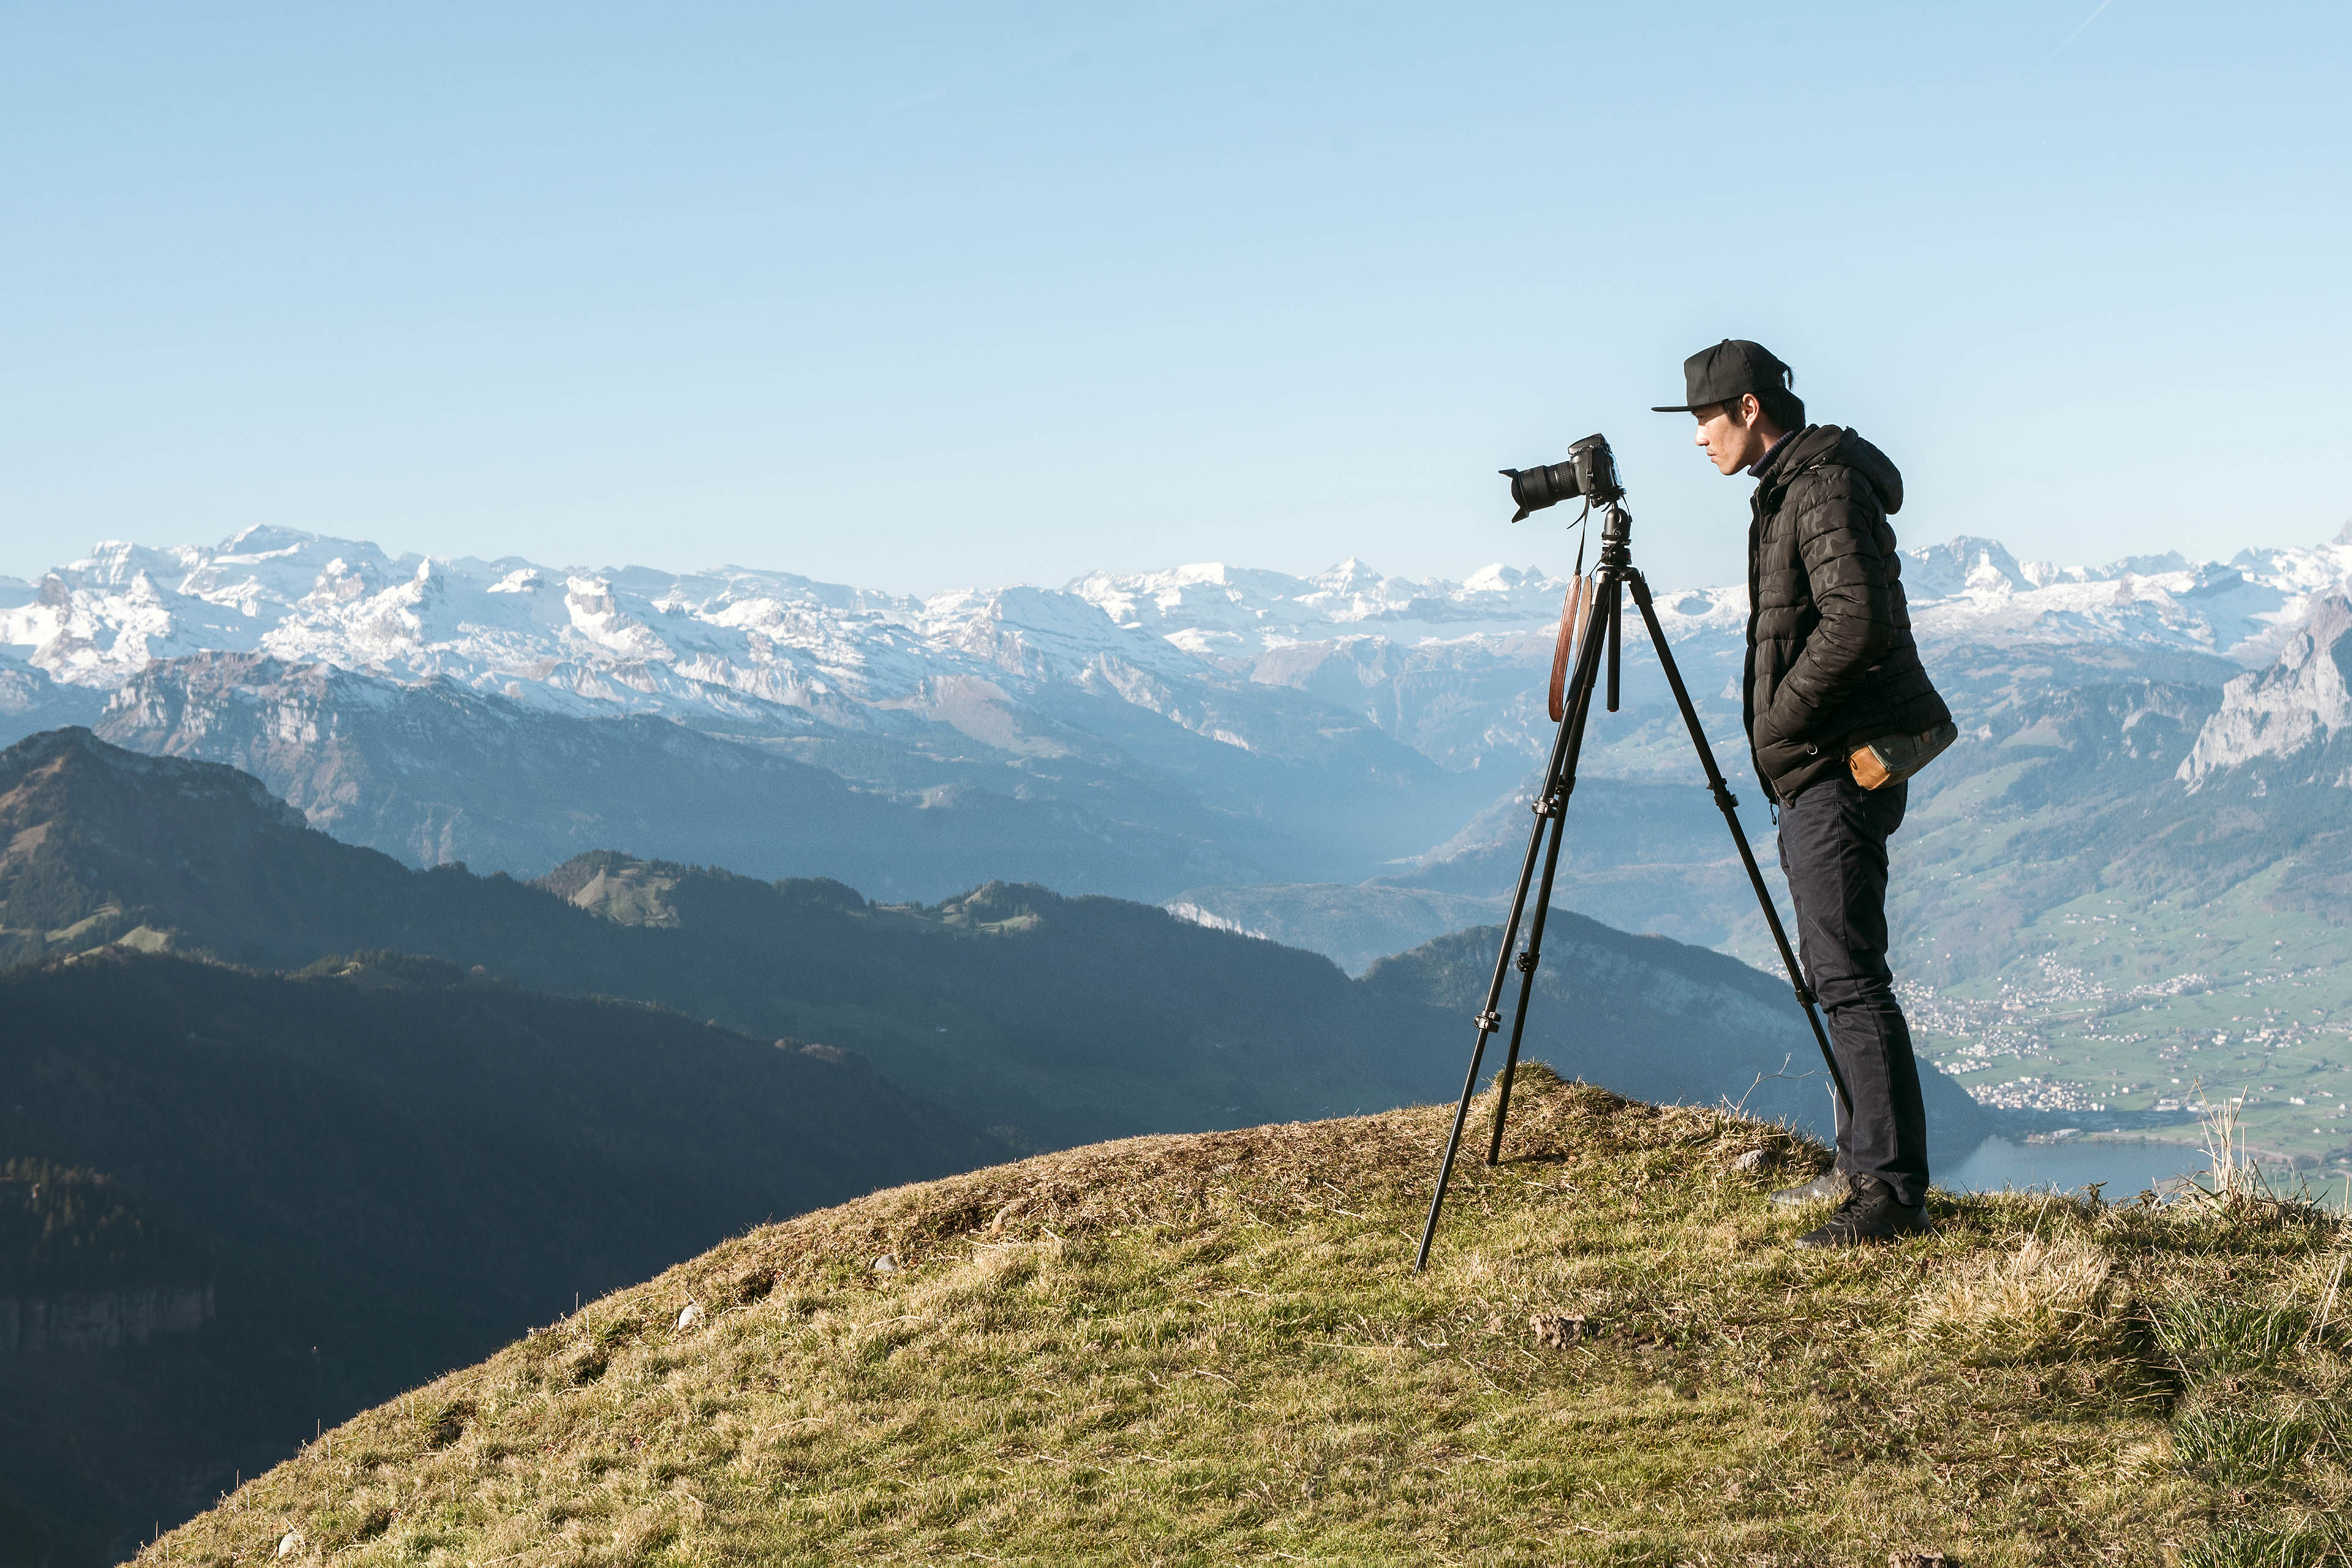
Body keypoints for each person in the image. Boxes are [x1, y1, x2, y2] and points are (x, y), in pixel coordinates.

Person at [1654, 339, 1952, 1246]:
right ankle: (1866, 1169)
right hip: (1823, 764)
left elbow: (1856, 617)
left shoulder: (1817, 487)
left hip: (1833, 767)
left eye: (1704, 418)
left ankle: (1891, 1197)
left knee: (1851, 980)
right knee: (1837, 976)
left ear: (1748, 409)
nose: (1697, 439)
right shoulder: (1793, 486)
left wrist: (1782, 722)